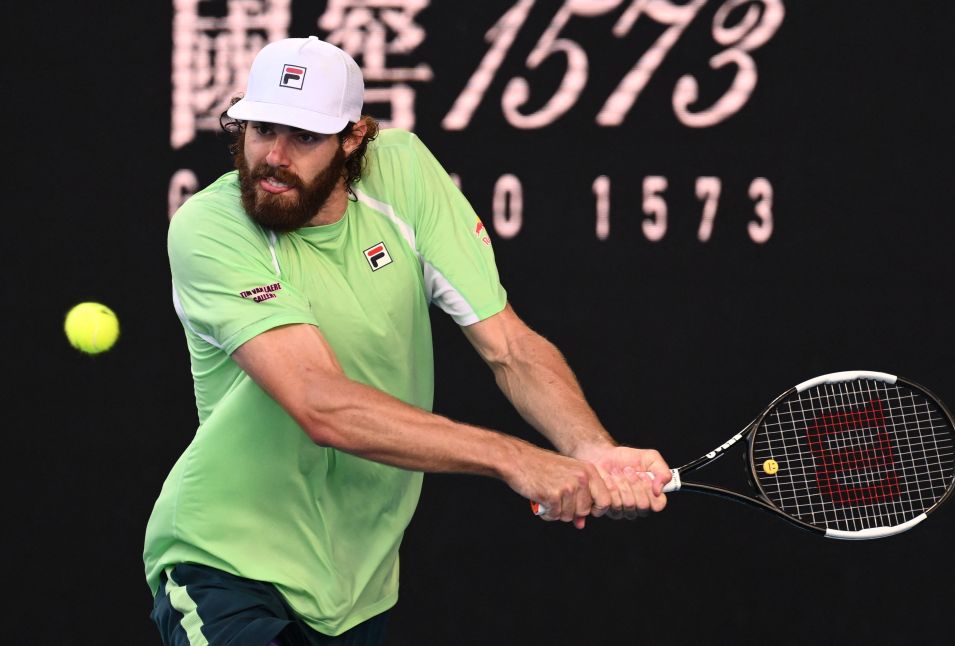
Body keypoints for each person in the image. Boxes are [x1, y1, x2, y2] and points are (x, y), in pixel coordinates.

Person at [143, 35, 671, 645]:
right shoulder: (209, 227)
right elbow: (321, 404)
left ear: (353, 139)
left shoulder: (404, 172)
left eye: (305, 137)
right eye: (262, 130)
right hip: (225, 564)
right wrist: (516, 458)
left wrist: (591, 449)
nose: (274, 158)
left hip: (359, 589)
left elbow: (509, 345)